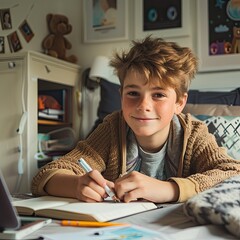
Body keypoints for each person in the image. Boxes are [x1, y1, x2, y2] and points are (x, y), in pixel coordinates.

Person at [32, 36, 240, 203]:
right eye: (133, 93)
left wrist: (169, 190)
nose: (143, 105)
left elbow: (232, 172)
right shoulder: (112, 129)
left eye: (158, 95)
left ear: (179, 103)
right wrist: (77, 185)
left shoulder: (194, 134)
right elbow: (46, 175)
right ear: (121, 94)